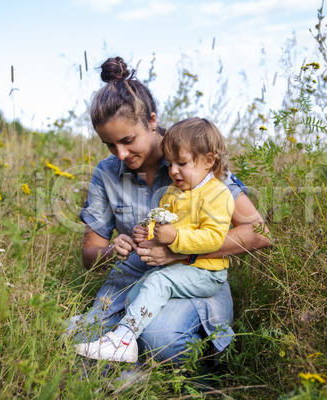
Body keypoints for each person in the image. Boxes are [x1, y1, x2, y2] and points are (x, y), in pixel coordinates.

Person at [64, 56, 271, 364]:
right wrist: (113, 250)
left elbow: (258, 233)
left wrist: (180, 253)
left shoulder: (194, 158)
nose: (120, 154)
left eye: (128, 140)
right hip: (133, 280)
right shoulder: (106, 173)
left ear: (151, 120)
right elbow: (89, 254)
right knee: (73, 339)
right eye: (110, 145)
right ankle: (130, 376)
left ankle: (197, 381)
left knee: (161, 338)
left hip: (194, 278)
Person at [75, 118, 235, 362]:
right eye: (169, 164)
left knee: (157, 282)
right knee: (134, 295)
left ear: (209, 161)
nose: (172, 171)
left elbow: (214, 238)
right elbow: (159, 221)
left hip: (206, 271)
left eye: (181, 163)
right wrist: (145, 232)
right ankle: (126, 344)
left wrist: (176, 238)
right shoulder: (173, 191)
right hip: (177, 268)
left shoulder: (217, 193)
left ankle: (124, 340)